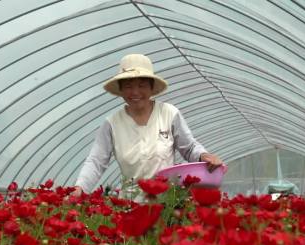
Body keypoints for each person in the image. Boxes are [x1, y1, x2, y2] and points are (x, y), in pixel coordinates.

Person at [73, 53, 222, 198]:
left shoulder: (168, 113)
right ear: (121, 90)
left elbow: (189, 148)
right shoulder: (112, 123)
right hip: (131, 206)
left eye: (142, 85)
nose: (135, 92)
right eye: (128, 86)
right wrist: (80, 187)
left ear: (151, 88)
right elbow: (96, 161)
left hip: (168, 203)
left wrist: (204, 155)